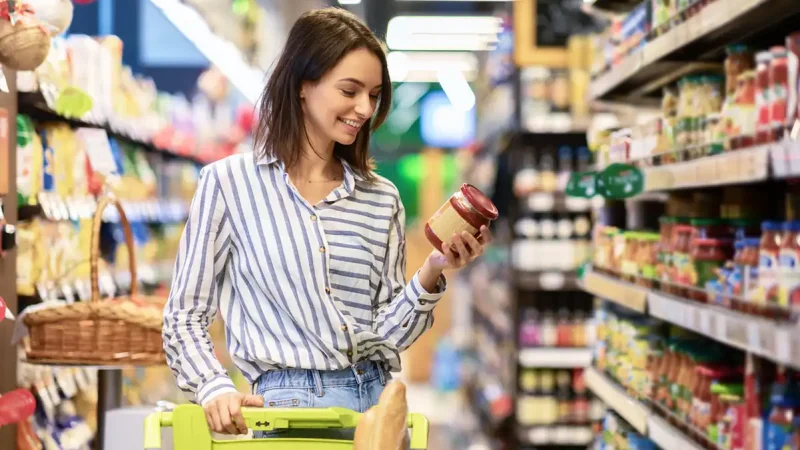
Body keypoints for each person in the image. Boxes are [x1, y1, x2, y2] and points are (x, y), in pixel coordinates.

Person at [162, 6, 492, 438]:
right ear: (303, 85)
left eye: (373, 95)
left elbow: (387, 335)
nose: (364, 108)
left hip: (376, 413)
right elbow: (184, 316)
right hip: (286, 416)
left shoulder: (382, 199)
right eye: (350, 90)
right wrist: (212, 386)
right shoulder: (228, 184)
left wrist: (433, 269)